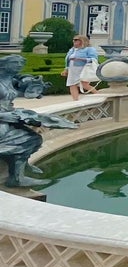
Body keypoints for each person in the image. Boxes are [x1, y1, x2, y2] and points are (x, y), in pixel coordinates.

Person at [0, 54, 76, 187]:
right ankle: (16, 177)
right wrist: (3, 116)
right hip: (3, 119)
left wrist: (35, 89)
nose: (19, 68)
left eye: (21, 65)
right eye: (16, 65)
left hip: (10, 117)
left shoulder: (11, 80)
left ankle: (20, 171)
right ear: (6, 65)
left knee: (34, 139)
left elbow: (23, 89)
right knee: (25, 139)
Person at [61, 34, 101, 100]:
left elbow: (93, 59)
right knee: (72, 84)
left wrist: (81, 59)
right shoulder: (72, 50)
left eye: (76, 40)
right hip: (73, 69)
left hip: (83, 68)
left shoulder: (89, 49)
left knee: (84, 84)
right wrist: (66, 69)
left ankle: (98, 95)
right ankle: (75, 100)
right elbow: (67, 61)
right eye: (73, 40)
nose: (74, 41)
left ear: (82, 41)